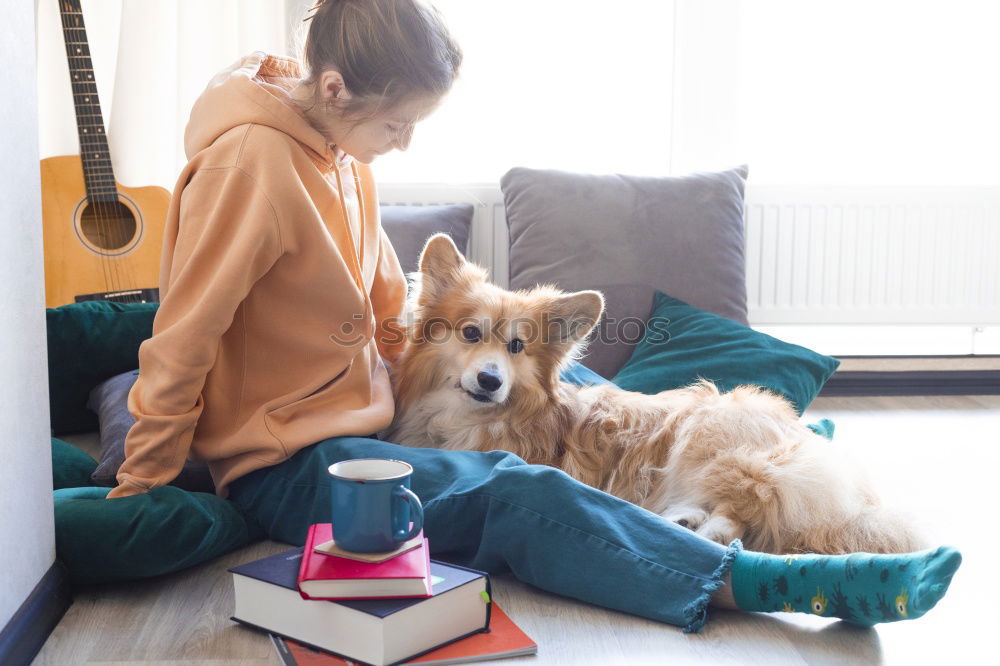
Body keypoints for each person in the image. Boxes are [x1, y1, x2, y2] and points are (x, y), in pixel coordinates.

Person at [54, 0, 961, 634]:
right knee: (510, 488)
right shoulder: (249, 166)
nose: (404, 144)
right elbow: (183, 333)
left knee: (582, 394)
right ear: (334, 90)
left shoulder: (339, 155)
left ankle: (778, 472)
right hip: (284, 457)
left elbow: (384, 308)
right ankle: (746, 580)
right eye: (400, 124)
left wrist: (422, 376)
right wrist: (149, 478)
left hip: (365, 416)